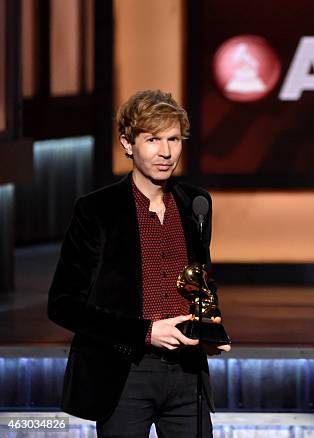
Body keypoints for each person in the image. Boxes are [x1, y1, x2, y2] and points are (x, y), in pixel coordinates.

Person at [47, 89, 230, 438]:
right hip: (124, 373)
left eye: (174, 139)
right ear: (128, 144)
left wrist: (210, 326)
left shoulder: (196, 203)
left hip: (188, 373)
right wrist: (146, 332)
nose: (166, 151)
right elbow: (64, 305)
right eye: (153, 139)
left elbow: (201, 280)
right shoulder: (97, 211)